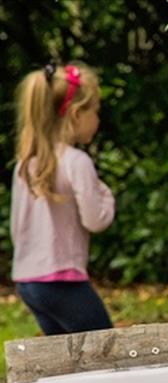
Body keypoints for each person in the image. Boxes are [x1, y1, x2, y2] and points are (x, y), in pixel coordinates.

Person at [10, 62, 114, 335]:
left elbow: (16, 227)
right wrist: (107, 196)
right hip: (62, 280)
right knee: (106, 349)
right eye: (96, 111)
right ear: (77, 114)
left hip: (28, 281)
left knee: (65, 363)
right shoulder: (76, 162)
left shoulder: (25, 163)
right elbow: (95, 220)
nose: (98, 120)